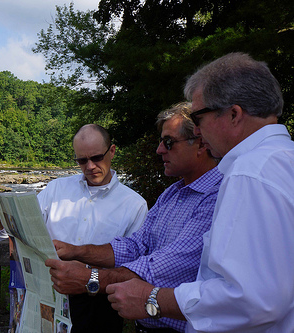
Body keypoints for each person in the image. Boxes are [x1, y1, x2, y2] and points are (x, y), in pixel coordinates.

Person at [106, 52, 294, 332]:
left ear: (233, 114)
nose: (198, 131)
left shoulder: (249, 173)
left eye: (199, 117)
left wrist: (151, 298)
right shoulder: (282, 161)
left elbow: (250, 299)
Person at [45, 102, 222, 332]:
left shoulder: (216, 195)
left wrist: (90, 278)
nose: (159, 150)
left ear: (200, 143)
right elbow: (135, 246)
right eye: (81, 160)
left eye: (168, 142)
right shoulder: (172, 194)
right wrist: (76, 251)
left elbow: (164, 266)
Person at [0, 124, 148, 332]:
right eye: (82, 160)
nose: (90, 166)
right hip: (46, 296)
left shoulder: (134, 205)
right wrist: (1, 223)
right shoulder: (56, 189)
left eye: (97, 157)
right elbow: (14, 242)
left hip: (99, 305)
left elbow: (133, 269)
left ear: (112, 151)